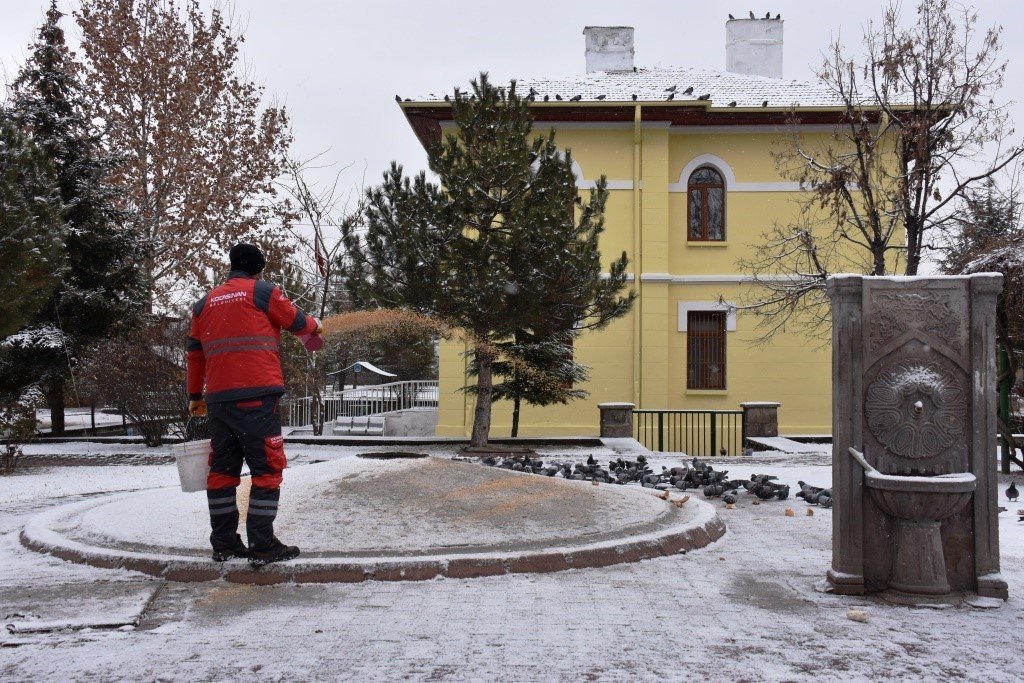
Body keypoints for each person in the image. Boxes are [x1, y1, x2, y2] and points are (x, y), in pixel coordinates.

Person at [186, 244, 322, 567]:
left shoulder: (204, 303)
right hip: (257, 400)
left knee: (221, 471)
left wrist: (194, 397)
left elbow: (194, 353)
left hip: (218, 402)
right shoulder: (263, 292)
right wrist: (317, 328)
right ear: (258, 269)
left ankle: (224, 543)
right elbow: (297, 321)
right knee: (267, 469)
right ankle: (262, 543)